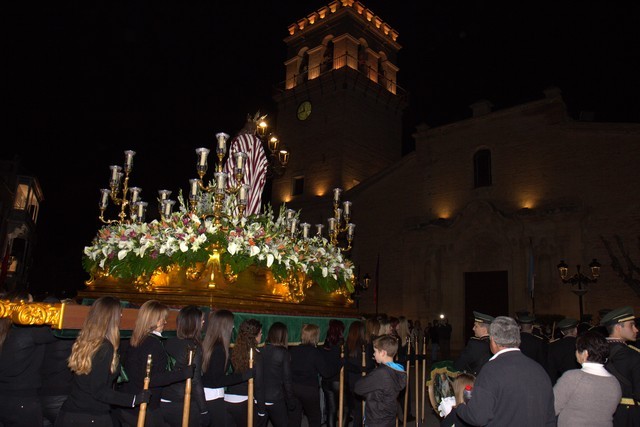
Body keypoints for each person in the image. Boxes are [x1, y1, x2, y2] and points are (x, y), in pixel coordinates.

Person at [55, 296, 150, 426]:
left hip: (73, 412)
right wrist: (133, 399)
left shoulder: (86, 340)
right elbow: (99, 390)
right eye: (119, 313)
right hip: (90, 416)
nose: (121, 315)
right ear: (111, 318)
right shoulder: (104, 347)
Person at [455, 316, 556, 426]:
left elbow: (478, 417)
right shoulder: (539, 370)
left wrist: (459, 407)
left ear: (493, 341)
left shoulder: (491, 370)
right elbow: (550, 418)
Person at [115, 299, 194, 427]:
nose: (165, 322)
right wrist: (183, 374)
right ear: (154, 320)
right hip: (145, 407)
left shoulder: (136, 339)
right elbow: (151, 378)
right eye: (162, 318)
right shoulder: (152, 343)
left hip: (131, 404)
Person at [0, 290, 58, 427]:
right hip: (22, 400)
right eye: (32, 305)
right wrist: (51, 302)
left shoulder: (5, 330)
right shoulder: (29, 332)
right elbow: (56, 328)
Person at [553, 331, 621, 427]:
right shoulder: (614, 382)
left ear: (585, 354)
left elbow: (551, 408)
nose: (576, 353)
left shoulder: (572, 378)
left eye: (577, 350)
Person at [201, 309, 252, 427]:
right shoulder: (219, 349)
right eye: (232, 324)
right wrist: (243, 376)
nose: (233, 327)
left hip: (207, 394)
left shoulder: (209, 344)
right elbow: (217, 380)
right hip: (213, 396)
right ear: (225, 326)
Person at [161, 305, 209, 427]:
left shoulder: (168, 341)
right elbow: (195, 380)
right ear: (194, 324)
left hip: (163, 401)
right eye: (201, 320)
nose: (203, 322)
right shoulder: (193, 347)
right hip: (182, 403)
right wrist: (204, 410)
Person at [289, 323, 337, 427]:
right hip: (309, 389)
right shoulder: (315, 352)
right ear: (315, 336)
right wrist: (339, 364)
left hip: (294, 387)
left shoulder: (293, 350)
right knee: (314, 418)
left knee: (294, 418)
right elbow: (326, 373)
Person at [354, 334, 407, 427]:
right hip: (389, 418)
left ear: (383, 353)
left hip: (377, 419)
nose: (374, 354)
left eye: (375, 351)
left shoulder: (381, 373)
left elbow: (358, 388)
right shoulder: (396, 370)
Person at [601, 306, 640, 426]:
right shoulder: (632, 355)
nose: (636, 329)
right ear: (618, 327)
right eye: (631, 325)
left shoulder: (596, 351)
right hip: (628, 415)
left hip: (601, 411)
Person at [254, 322, 295, 427]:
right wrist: (291, 400)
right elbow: (287, 380)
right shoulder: (284, 353)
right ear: (283, 336)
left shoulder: (260, 350)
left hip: (259, 398)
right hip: (276, 399)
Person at [226, 318, 262, 427]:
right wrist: (262, 409)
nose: (261, 335)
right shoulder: (256, 355)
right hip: (245, 400)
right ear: (254, 336)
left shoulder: (233, 351)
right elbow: (259, 384)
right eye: (260, 333)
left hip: (228, 399)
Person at [344, 320, 372, 427]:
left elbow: (346, 362)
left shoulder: (348, 344)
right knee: (360, 409)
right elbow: (367, 364)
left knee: (356, 407)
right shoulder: (364, 345)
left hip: (351, 380)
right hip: (361, 379)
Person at [320, 319, 346, 427]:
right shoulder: (341, 345)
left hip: (326, 381)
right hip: (336, 381)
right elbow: (339, 363)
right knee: (345, 408)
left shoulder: (324, 344)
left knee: (332, 409)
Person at [453, 311, 494, 376]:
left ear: (484, 329)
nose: (473, 328)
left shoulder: (475, 344)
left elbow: (458, 365)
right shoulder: (496, 343)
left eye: (476, 326)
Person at [547, 317, 580, 384]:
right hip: (580, 381)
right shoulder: (582, 344)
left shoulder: (553, 346)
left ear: (562, 332)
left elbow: (551, 370)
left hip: (562, 382)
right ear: (576, 330)